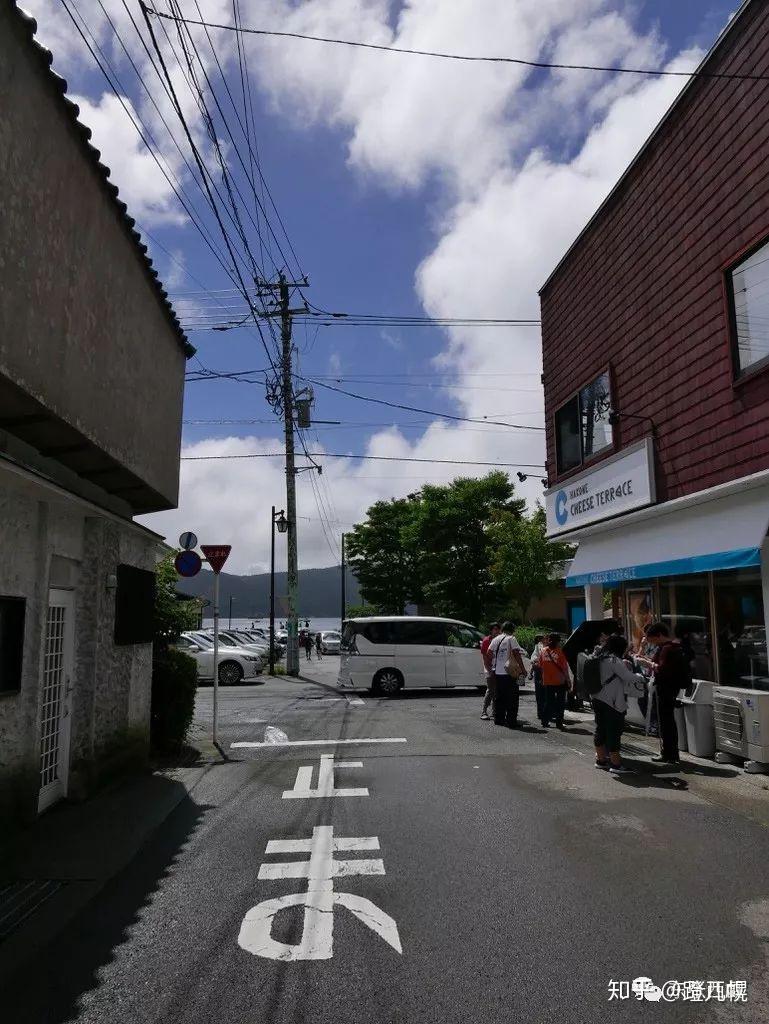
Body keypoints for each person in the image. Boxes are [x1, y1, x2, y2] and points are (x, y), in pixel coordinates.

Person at [592, 634, 646, 774]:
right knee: (614, 731)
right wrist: (640, 677)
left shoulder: (598, 657)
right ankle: (616, 765)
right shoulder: (614, 660)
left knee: (600, 729)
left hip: (597, 698)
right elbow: (628, 677)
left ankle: (601, 760)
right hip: (613, 701)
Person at [637, 621, 689, 764]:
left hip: (666, 688)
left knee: (666, 721)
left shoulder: (668, 649)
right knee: (666, 721)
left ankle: (670, 754)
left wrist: (648, 664)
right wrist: (646, 660)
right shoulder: (668, 647)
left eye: (652, 639)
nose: (651, 642)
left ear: (659, 635)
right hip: (669, 687)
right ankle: (669, 752)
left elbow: (662, 669)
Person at [488, 621, 526, 728]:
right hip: (510, 673)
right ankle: (511, 721)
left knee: (499, 697)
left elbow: (489, 652)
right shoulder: (511, 638)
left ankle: (499, 719)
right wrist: (523, 669)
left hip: (498, 672)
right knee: (512, 698)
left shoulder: (496, 639)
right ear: (512, 629)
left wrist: (497, 661)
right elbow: (516, 653)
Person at [540, 633, 573, 730]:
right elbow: (564, 668)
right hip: (559, 681)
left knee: (548, 702)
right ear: (558, 642)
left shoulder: (543, 651)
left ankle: (544, 721)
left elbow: (541, 665)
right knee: (560, 703)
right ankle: (559, 723)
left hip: (547, 681)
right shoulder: (559, 652)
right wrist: (569, 680)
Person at [480, 622, 501, 720]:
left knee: (497, 690)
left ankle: (494, 710)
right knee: (490, 689)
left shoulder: (500, 640)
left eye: (498, 629)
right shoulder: (486, 641)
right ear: (491, 630)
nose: (497, 631)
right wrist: (490, 670)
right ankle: (484, 711)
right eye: (495, 629)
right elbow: (485, 659)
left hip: (498, 667)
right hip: (489, 667)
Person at [529, 634, 546, 725]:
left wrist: (531, 672)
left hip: (541, 673)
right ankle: (542, 713)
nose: (544, 640)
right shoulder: (539, 647)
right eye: (543, 638)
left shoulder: (540, 648)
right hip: (540, 673)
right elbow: (534, 660)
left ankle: (542, 713)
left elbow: (533, 660)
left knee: (541, 694)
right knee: (541, 694)